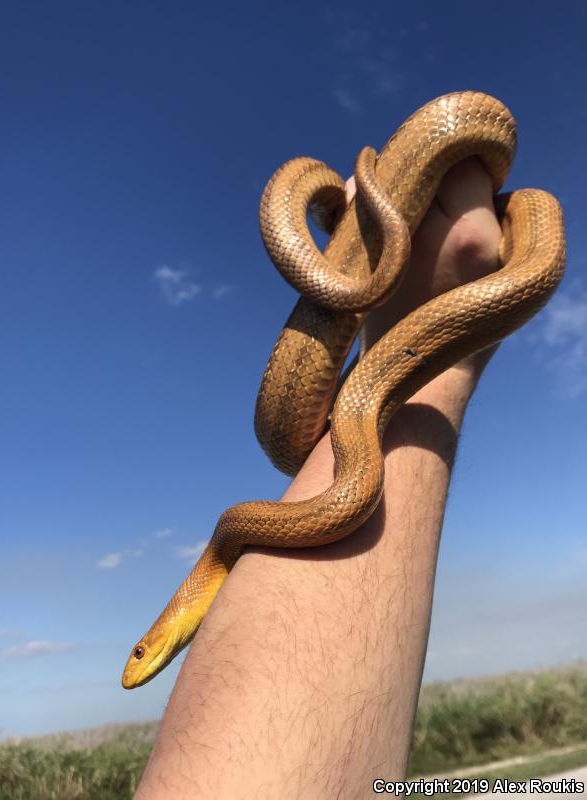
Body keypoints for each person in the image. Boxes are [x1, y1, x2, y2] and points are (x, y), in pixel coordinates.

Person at [135, 157, 502, 799]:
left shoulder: (232, 534)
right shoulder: (231, 536)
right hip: (369, 380)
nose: (139, 665)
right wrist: (442, 340)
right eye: (139, 657)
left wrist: (430, 337)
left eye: (140, 653)